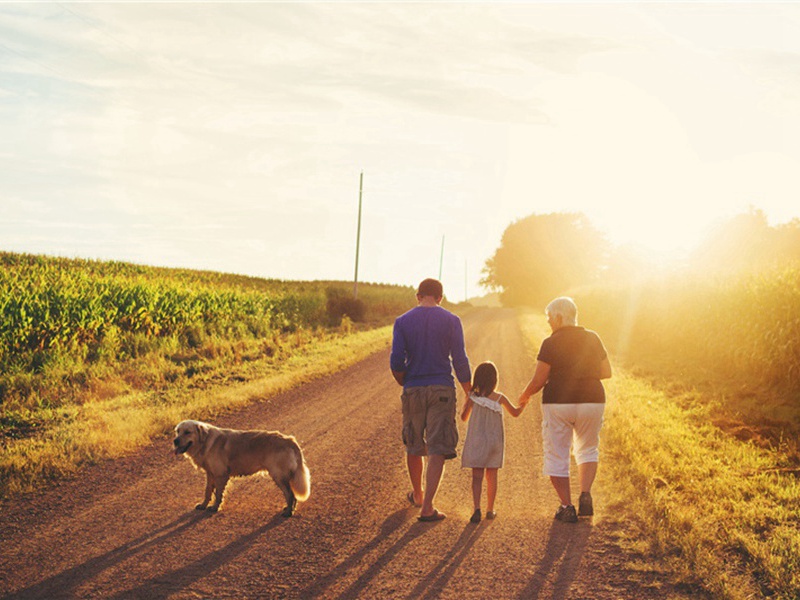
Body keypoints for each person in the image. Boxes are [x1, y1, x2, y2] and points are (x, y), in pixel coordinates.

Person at [518, 296, 612, 523]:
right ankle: (586, 494)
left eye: (550, 318)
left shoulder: (550, 343)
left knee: (557, 453)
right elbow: (606, 371)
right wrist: (583, 374)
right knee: (588, 449)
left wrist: (525, 395)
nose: (549, 322)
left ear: (559, 317)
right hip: (592, 400)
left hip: (559, 402)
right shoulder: (593, 338)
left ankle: (567, 506)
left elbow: (540, 380)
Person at [391, 278, 472, 522]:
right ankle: (427, 506)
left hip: (413, 388)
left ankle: (417, 494)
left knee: (414, 444)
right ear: (440, 298)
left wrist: (405, 381)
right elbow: (460, 359)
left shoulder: (402, 322)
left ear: (418, 296)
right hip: (442, 390)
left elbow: (396, 361)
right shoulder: (452, 320)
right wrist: (469, 391)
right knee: (437, 446)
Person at [460, 361, 524, 523]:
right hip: (494, 442)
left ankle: (476, 509)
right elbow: (515, 413)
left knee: (477, 476)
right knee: (492, 475)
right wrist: (524, 403)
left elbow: (463, 417)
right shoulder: (500, 398)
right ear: (494, 380)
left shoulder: (473, 398)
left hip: (477, 441)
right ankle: (490, 509)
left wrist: (467, 400)